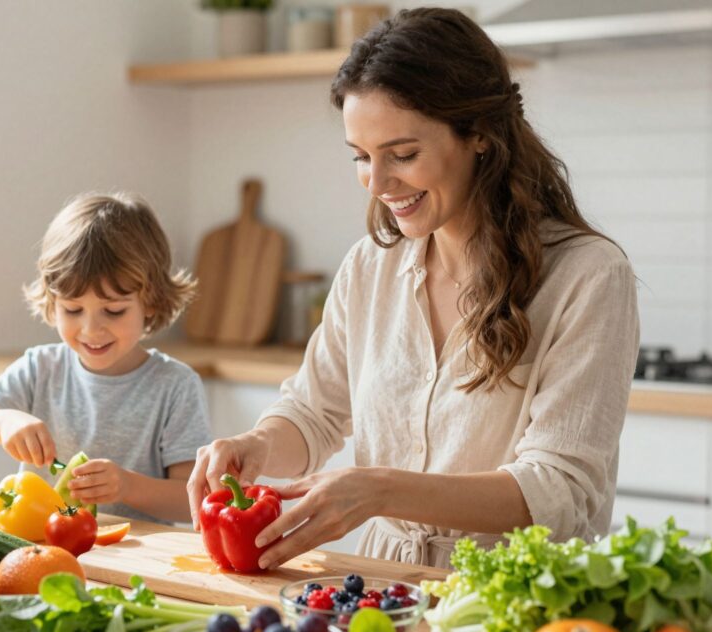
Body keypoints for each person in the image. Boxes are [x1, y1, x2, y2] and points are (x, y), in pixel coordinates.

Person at [187, 8, 640, 570]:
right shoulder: (369, 268)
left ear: (478, 134)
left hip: (512, 598)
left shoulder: (588, 276)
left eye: (402, 155)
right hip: (384, 585)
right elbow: (315, 411)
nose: (377, 184)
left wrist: (379, 489)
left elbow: (559, 490)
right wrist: (257, 446)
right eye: (361, 157)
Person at [0, 191, 211, 523]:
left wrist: (127, 486)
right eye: (72, 309)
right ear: (53, 303)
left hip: (135, 558)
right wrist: (3, 422)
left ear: (151, 301)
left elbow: (192, 499)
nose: (91, 330)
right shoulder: (40, 368)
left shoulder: (175, 385)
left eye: (113, 311)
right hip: (43, 547)